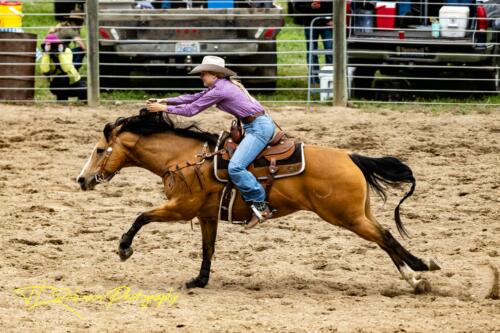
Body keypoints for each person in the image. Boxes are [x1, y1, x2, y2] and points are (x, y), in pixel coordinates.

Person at [146, 56, 276, 229]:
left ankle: (261, 205)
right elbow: (194, 97)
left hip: (258, 128)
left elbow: (191, 109)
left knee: (235, 167)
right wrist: (166, 101)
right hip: (256, 125)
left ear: (214, 74)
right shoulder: (221, 86)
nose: (201, 77)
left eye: (203, 74)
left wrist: (164, 108)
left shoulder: (220, 90)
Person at [293, 0, 333, 85]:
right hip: (310, 23)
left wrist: (334, 18)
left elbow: (338, 4)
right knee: (312, 51)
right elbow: (298, 5)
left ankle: (330, 78)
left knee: (330, 50)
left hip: (327, 23)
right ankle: (314, 78)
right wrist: (310, 6)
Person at [40, 33, 87, 101]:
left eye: (55, 45)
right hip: (58, 85)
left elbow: (66, 69)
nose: (53, 47)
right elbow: (45, 70)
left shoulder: (67, 51)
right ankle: (62, 102)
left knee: (85, 90)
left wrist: (60, 53)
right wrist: (46, 54)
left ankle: (82, 104)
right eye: (50, 45)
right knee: (63, 78)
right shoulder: (46, 55)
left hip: (74, 83)